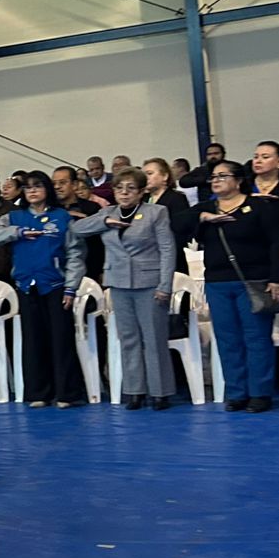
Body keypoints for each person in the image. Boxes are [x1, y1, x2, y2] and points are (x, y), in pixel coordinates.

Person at [72, 169, 177, 410]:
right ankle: (134, 390)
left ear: (141, 192)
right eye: (119, 188)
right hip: (118, 282)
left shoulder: (156, 212)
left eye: (131, 188)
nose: (124, 193)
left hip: (149, 283)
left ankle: (160, 392)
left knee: (153, 339)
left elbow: (167, 249)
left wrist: (165, 285)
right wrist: (104, 221)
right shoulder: (107, 213)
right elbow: (77, 229)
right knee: (128, 339)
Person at [0, 172, 88, 408]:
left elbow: (75, 254)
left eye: (37, 186)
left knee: (61, 339)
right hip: (26, 284)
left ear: (47, 190)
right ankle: (38, 392)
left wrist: (71, 287)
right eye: (28, 188)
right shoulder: (14, 217)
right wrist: (17, 232)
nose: (32, 191)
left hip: (55, 285)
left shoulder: (62, 217)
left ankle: (67, 393)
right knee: (33, 340)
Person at [193, 161, 279, 412]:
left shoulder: (259, 206)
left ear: (238, 180)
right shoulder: (205, 208)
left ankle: (260, 392)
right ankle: (236, 391)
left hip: (254, 280)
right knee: (227, 339)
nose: (216, 180)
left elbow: (278, 243)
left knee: (256, 338)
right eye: (213, 177)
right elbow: (177, 223)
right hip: (217, 282)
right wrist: (203, 217)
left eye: (223, 176)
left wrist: (277, 278)